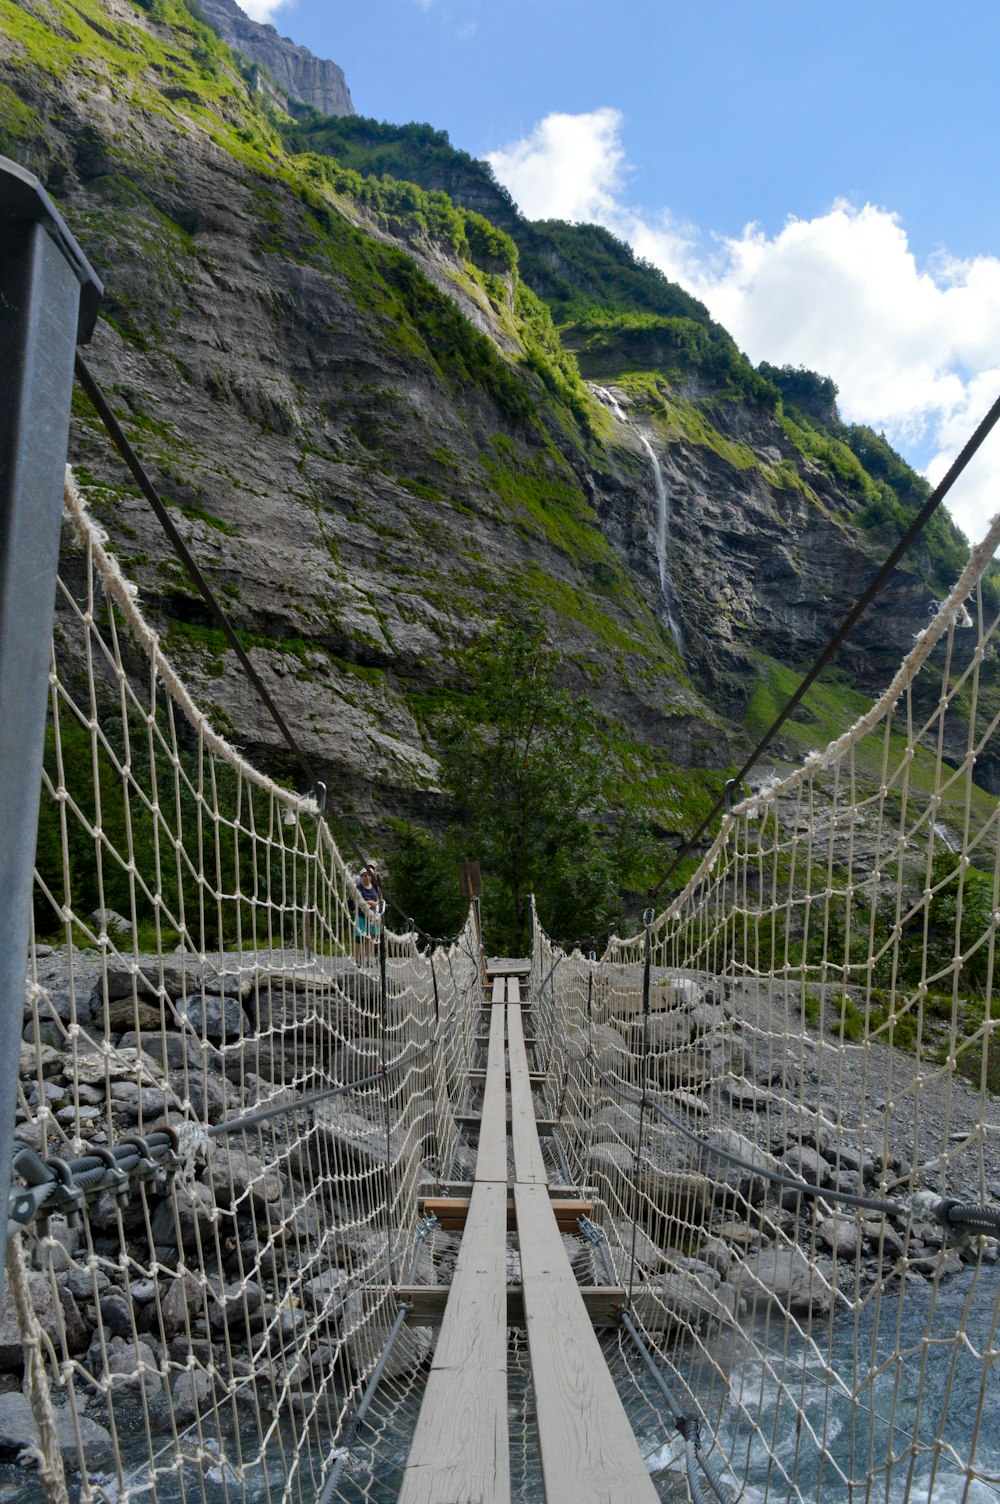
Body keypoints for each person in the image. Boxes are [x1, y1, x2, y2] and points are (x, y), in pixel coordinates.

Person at [354, 866, 382, 965]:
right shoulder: (358, 887)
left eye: (368, 875)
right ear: (361, 877)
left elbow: (378, 900)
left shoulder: (374, 887)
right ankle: (357, 959)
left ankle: (369, 958)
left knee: (371, 937)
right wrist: (369, 902)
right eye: (364, 876)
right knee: (359, 937)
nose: (367, 877)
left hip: (372, 916)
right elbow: (356, 899)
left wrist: (373, 903)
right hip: (360, 915)